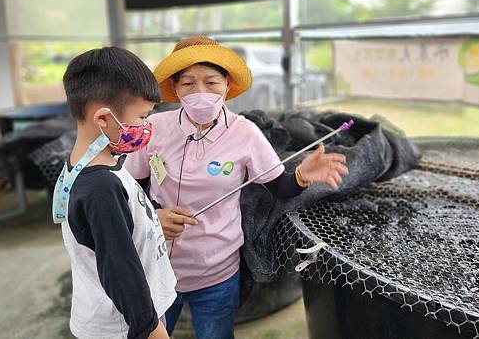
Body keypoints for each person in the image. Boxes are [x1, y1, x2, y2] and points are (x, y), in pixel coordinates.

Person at [124, 35, 349, 338]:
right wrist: (154, 216)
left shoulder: (245, 133)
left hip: (217, 272)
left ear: (227, 85)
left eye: (211, 82)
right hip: (158, 267)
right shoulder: (154, 128)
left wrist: (301, 176)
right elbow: (132, 186)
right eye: (188, 84)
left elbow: (280, 187)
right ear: (175, 89)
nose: (200, 92)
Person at [54, 47, 177, 339]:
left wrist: (153, 220)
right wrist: (150, 329)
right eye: (142, 117)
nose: (146, 127)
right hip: (123, 325)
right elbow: (121, 271)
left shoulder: (94, 161)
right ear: (103, 119)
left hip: (125, 317)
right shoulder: (101, 188)